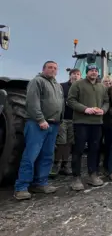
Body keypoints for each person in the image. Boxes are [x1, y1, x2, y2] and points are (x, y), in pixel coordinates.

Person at [14, 61, 64, 200]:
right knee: (31, 155)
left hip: (53, 125)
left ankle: (40, 183)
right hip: (38, 124)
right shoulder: (37, 81)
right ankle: (21, 187)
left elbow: (60, 103)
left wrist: (60, 120)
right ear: (43, 69)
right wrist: (40, 119)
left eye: (55, 68)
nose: (52, 70)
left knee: (47, 155)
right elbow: (32, 102)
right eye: (50, 67)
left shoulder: (57, 85)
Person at [67, 64, 109, 191]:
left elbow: (106, 101)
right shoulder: (78, 84)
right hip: (81, 122)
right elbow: (71, 100)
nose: (94, 73)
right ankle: (76, 177)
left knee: (94, 150)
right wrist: (86, 109)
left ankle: (93, 174)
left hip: (97, 123)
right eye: (91, 70)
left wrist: (103, 110)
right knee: (78, 150)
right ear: (87, 72)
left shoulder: (102, 86)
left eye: (96, 70)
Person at [50, 68, 81, 176]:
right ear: (70, 75)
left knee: (69, 143)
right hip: (63, 118)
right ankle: (55, 164)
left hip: (75, 120)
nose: (76, 76)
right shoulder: (62, 86)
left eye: (78, 74)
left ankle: (65, 165)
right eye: (74, 74)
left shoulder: (81, 87)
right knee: (61, 142)